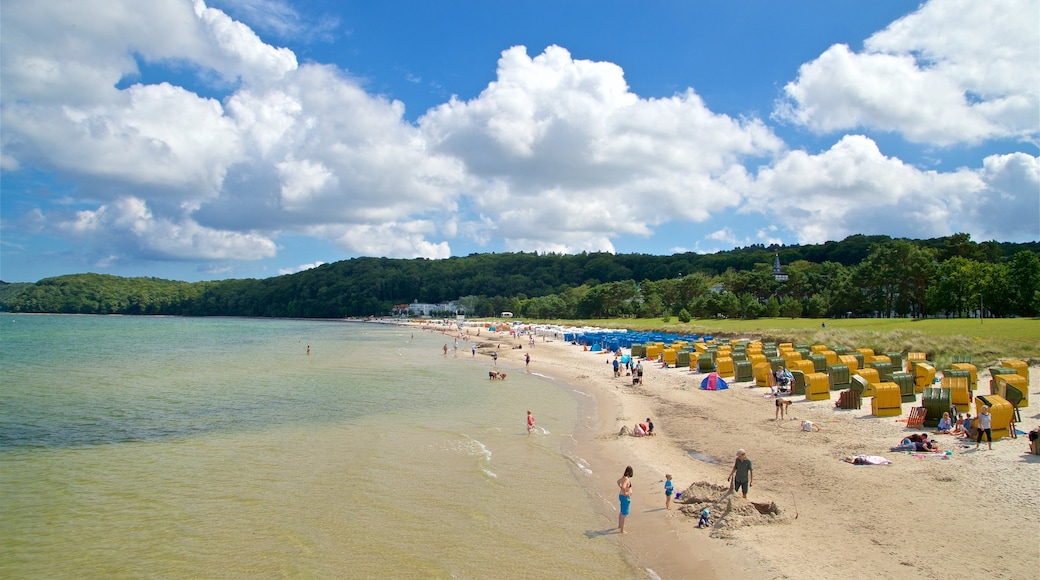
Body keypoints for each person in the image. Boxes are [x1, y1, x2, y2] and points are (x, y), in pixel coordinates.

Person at [617, 466, 633, 533]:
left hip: (621, 496)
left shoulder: (623, 477)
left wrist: (621, 488)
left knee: (621, 512)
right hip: (624, 497)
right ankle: (622, 530)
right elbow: (623, 487)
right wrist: (626, 493)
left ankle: (620, 525)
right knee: (624, 513)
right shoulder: (626, 479)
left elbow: (618, 482)